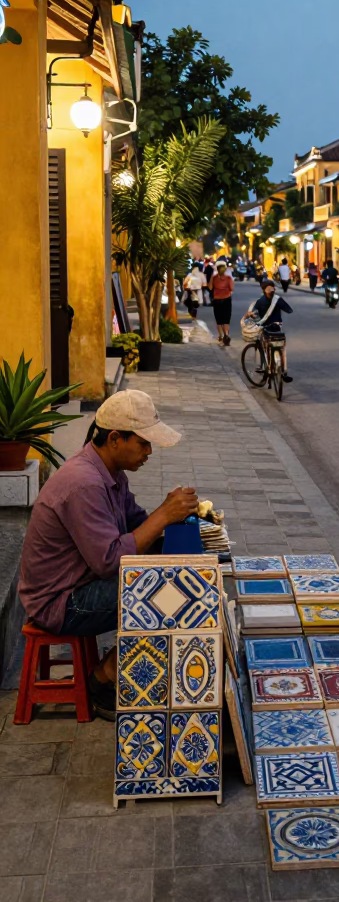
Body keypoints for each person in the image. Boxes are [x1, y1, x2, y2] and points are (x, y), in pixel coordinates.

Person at [18, 390, 197, 719]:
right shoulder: (84, 483)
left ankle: (141, 668)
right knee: (165, 595)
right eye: (143, 443)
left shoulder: (112, 475)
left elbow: (138, 526)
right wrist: (164, 515)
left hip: (83, 582)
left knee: (180, 579)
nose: (149, 451)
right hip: (60, 600)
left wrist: (179, 524)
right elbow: (109, 561)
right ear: (115, 439)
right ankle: (103, 680)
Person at [247, 279, 293, 381]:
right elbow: (289, 310)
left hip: (265, 328)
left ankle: (261, 366)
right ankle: (284, 371)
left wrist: (253, 316)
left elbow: (253, 314)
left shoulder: (260, 301)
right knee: (282, 348)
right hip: (277, 328)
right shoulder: (277, 299)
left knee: (262, 346)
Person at [210, 259, 235, 345]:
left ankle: (221, 335)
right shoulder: (228, 278)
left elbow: (210, 288)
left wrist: (212, 278)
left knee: (219, 319)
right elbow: (232, 288)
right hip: (226, 299)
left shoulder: (214, 278)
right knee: (226, 319)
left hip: (217, 300)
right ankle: (226, 335)